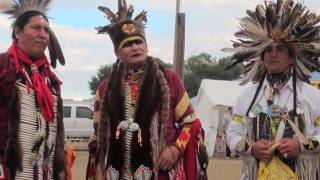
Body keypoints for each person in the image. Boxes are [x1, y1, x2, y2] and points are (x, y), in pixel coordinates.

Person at [86, 0, 208, 179]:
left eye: (138, 42)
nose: (135, 47)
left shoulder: (169, 79)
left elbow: (189, 122)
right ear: (117, 53)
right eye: (127, 44)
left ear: (146, 46)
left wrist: (175, 148)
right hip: (115, 172)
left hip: (161, 172)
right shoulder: (105, 88)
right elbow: (99, 136)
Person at [223, 0, 320, 179]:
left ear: (292, 58)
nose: (273, 54)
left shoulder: (313, 96)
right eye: (268, 50)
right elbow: (233, 134)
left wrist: (301, 146)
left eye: (280, 49)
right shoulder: (247, 97)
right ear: (262, 57)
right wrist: (252, 148)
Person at [0, 0, 66, 179]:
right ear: (18, 32)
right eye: (35, 28)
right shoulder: (3, 67)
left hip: (45, 170)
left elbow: (58, 132)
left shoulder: (51, 80)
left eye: (46, 30)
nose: (43, 34)